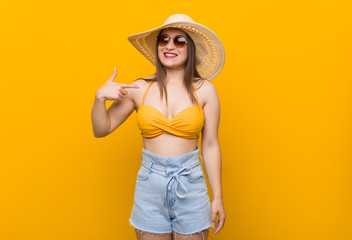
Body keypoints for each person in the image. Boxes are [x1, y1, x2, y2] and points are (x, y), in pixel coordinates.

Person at [91, 14, 226, 240]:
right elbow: (101, 129)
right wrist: (98, 99)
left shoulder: (205, 90)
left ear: (190, 48)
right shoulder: (138, 88)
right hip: (150, 185)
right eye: (163, 40)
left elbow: (211, 144)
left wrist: (218, 197)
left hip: (190, 182)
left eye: (179, 40)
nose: (169, 46)